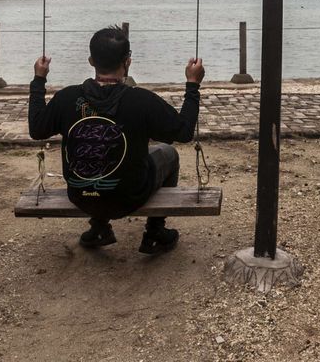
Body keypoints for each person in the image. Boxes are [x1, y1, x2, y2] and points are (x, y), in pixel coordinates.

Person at [28, 26, 204, 253]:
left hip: (81, 196)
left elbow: (37, 129)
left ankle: (99, 227)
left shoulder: (67, 98)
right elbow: (183, 132)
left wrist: (38, 80)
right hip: (130, 196)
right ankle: (154, 232)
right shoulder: (141, 101)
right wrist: (192, 85)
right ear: (128, 61)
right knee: (169, 154)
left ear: (91, 60)